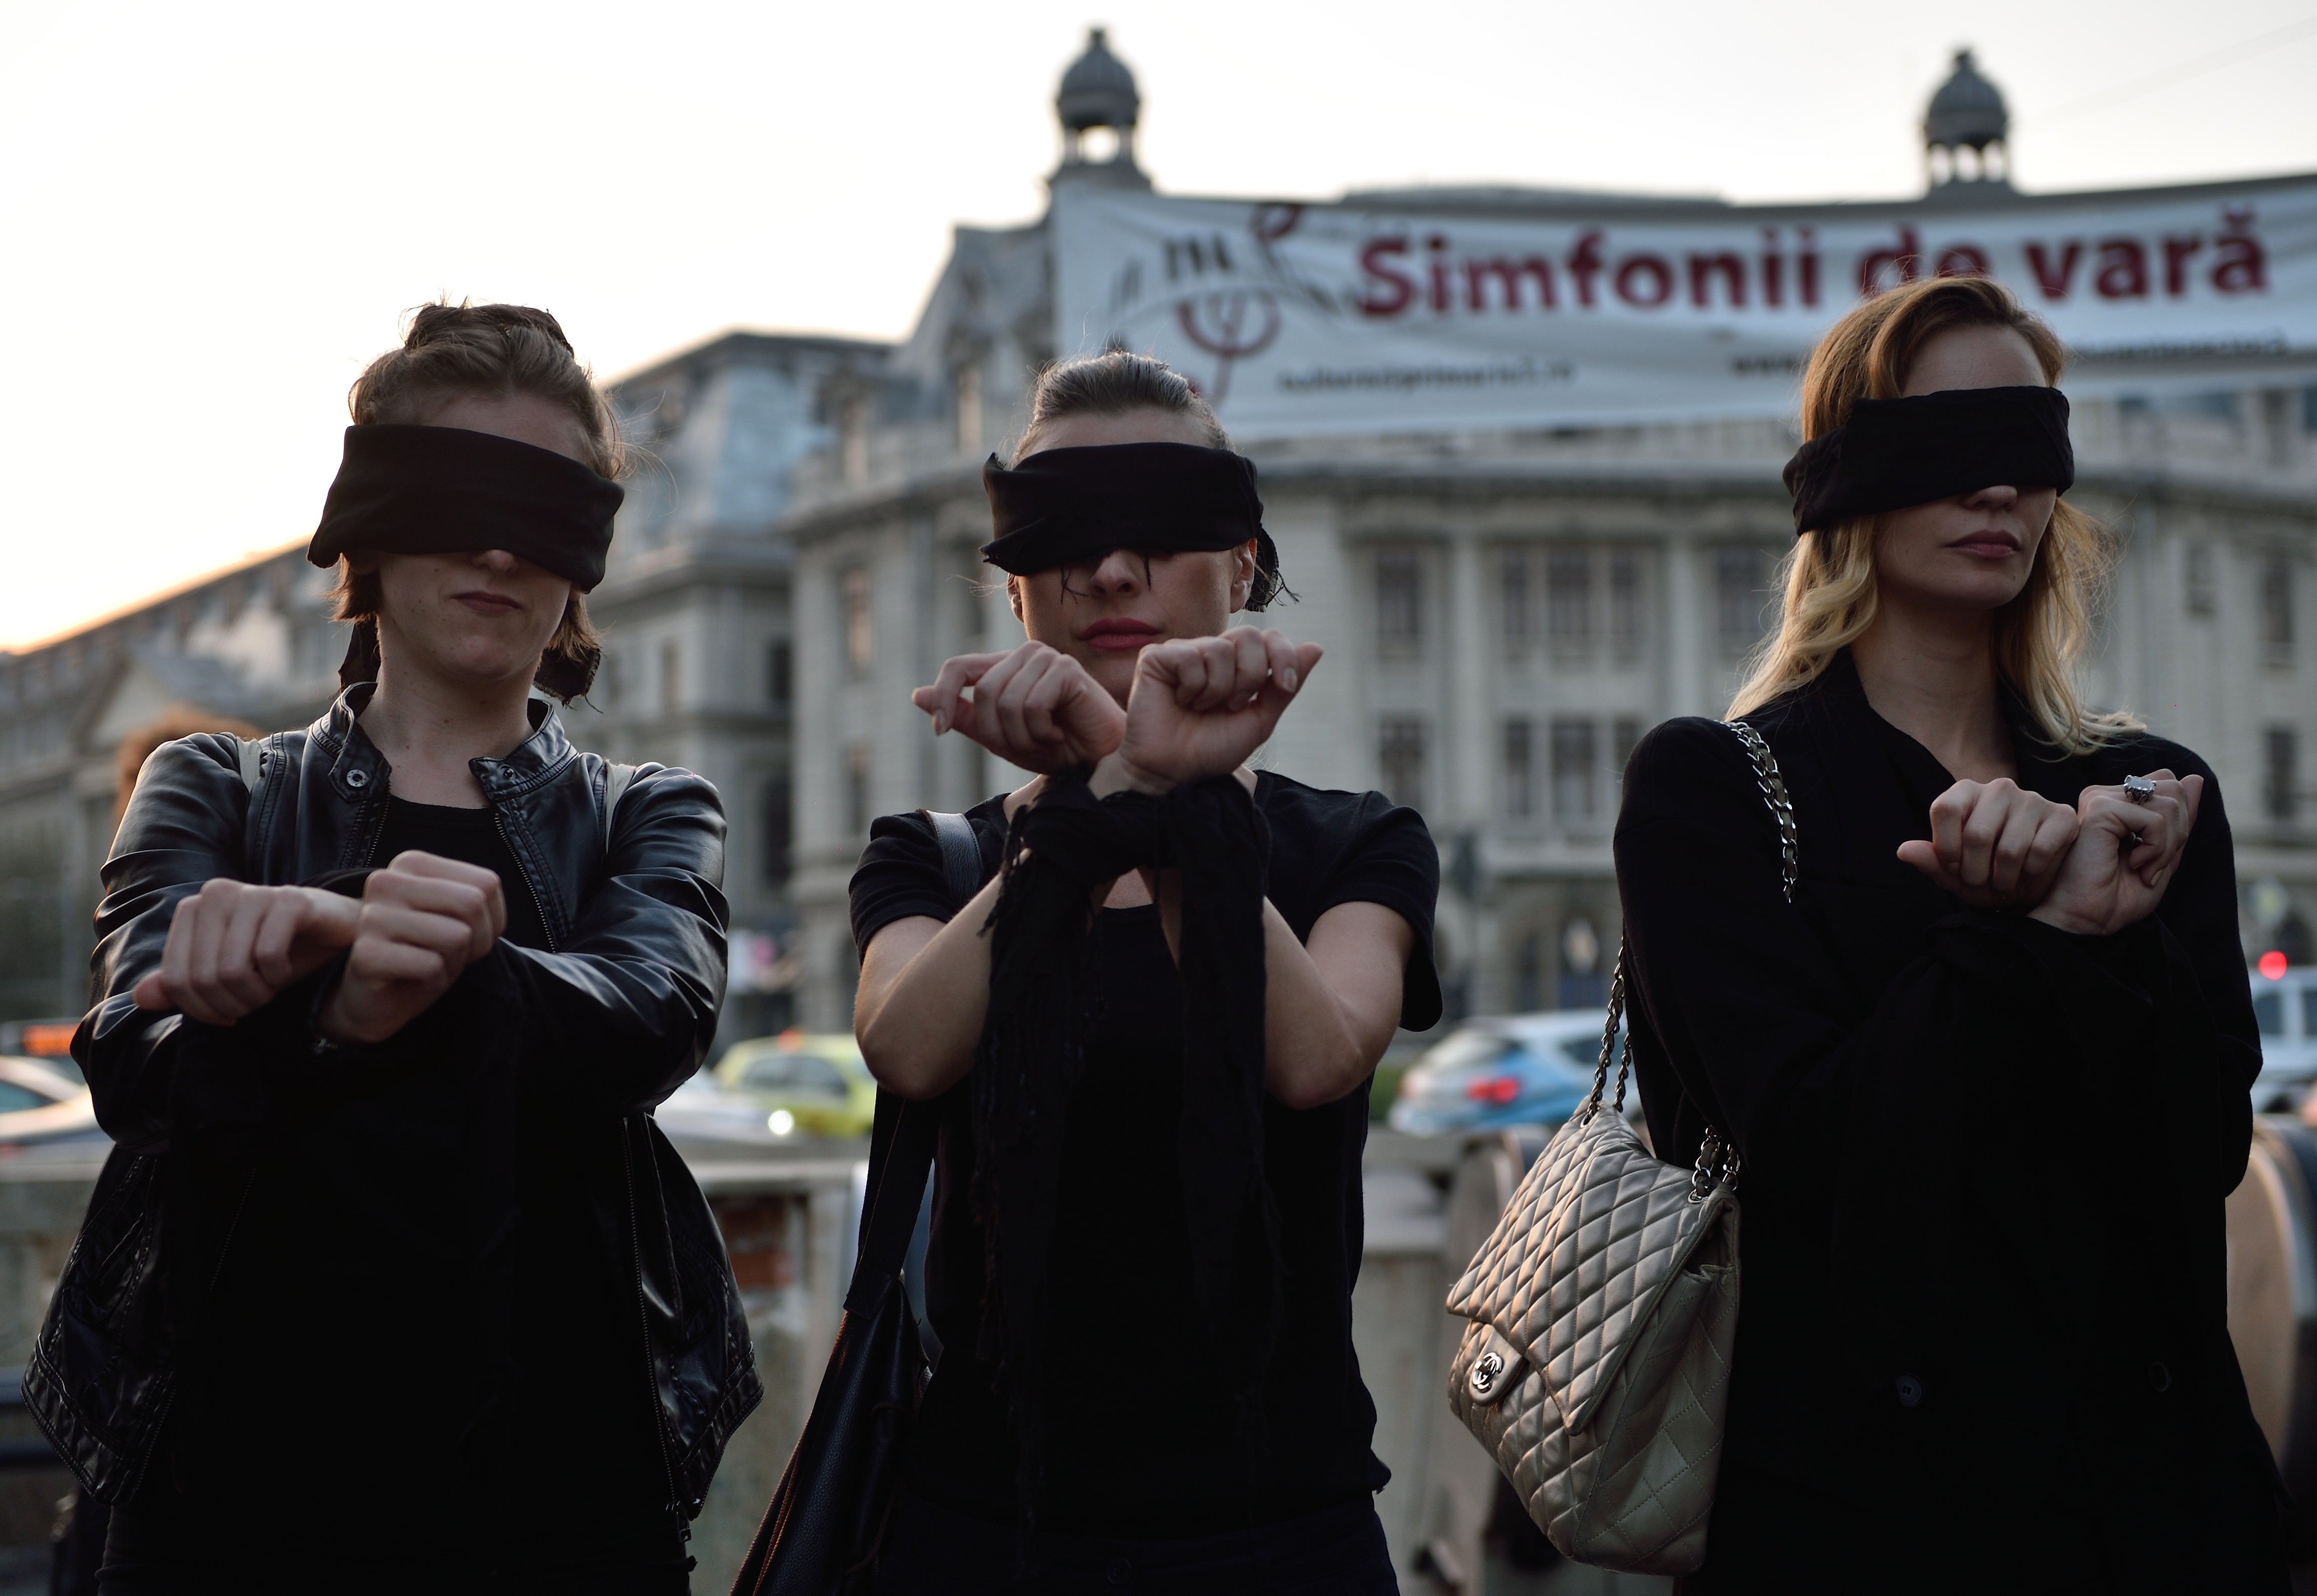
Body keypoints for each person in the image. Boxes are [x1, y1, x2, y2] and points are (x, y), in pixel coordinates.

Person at [34, 303, 756, 1595]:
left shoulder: (652, 809)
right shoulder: (212, 787)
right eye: (454, 495)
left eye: (543, 509)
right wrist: (334, 1008)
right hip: (226, 1501)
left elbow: (649, 1017)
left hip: (567, 1506)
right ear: (367, 524)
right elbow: (136, 1058)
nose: (495, 544)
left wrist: (389, 959)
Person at [1615, 276, 2286, 1593]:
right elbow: (1813, 1153)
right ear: (1839, 481)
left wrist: (2113, 932)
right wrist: (2016, 933)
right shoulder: (1717, 788)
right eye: (1949, 441)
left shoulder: (2142, 794)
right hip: (1867, 1516)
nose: (1996, 490)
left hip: (2148, 1507)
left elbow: (2197, 1148)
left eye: (2027, 443)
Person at [848, 351, 1442, 1594]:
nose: (1110, 571)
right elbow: (908, 1045)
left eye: (1163, 529)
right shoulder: (934, 858)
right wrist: (1097, 801)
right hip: (980, 1531)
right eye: (1061, 530)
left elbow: (1315, 1057)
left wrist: (1158, 791)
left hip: (1278, 1528)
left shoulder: (1355, 846)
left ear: (1242, 565)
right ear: (1014, 589)